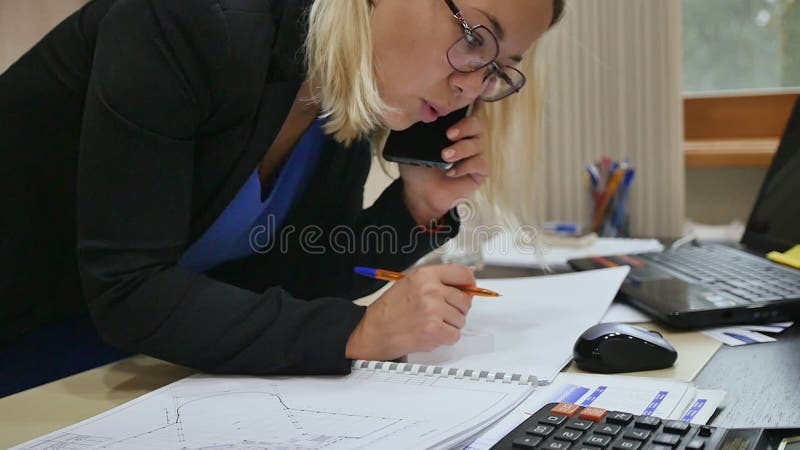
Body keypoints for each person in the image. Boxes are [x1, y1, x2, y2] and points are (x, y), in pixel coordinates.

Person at [0, 0, 565, 375]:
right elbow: (130, 289)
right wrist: (357, 333)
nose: (469, 87)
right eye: (475, 38)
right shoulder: (188, 20)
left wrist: (416, 209)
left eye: (497, 69)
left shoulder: (349, 82)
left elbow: (295, 276)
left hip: (120, 362)